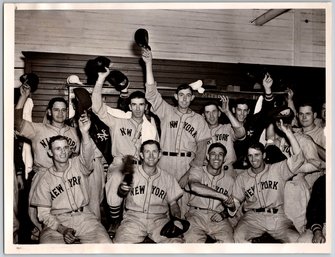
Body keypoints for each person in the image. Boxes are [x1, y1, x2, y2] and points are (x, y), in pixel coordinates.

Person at [141, 48, 211, 217]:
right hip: (165, 162)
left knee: (184, 207)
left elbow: (201, 151)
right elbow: (151, 94)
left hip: (187, 164)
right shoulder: (167, 111)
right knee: (162, 202)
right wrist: (149, 63)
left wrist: (190, 173)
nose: (185, 98)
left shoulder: (199, 120)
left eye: (188, 95)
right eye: (181, 95)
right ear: (175, 97)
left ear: (192, 98)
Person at [92, 68, 158, 236]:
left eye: (141, 104)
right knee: (115, 179)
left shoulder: (150, 127)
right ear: (129, 105)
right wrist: (101, 79)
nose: (137, 108)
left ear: (146, 106)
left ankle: (137, 223)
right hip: (121, 163)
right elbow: (97, 107)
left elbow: (154, 151)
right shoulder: (118, 119)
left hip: (141, 165)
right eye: (134, 104)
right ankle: (114, 221)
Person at [30, 114, 111, 243]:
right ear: (50, 153)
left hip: (85, 218)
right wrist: (62, 229)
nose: (62, 152)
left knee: (106, 245)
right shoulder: (44, 179)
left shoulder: (78, 164)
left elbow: (87, 157)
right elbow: (43, 214)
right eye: (58, 148)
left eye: (65, 148)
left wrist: (84, 133)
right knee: (47, 249)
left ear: (69, 150)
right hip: (57, 223)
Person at [14, 85, 80, 239]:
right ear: (49, 112)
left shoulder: (74, 132)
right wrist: (23, 98)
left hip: (67, 178)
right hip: (43, 176)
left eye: (64, 110)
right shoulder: (37, 129)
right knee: (40, 220)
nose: (60, 113)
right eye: (56, 110)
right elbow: (16, 123)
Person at [229, 119, 306, 243]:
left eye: (257, 155)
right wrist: (231, 204)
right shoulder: (242, 177)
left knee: (295, 239)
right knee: (238, 237)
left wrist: (288, 133)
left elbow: (299, 158)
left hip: (277, 217)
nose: (253, 159)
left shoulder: (277, 169)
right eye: (250, 156)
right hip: (252, 217)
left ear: (264, 155)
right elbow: (235, 203)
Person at [112, 140, 184, 243]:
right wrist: (123, 189)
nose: (151, 156)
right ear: (141, 154)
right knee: (120, 245)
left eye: (154, 152)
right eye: (147, 152)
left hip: (159, 221)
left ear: (159, 154)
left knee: (177, 243)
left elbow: (173, 205)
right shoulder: (131, 174)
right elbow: (121, 192)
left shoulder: (168, 178)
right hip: (134, 219)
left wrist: (177, 219)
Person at [183, 143, 235, 243]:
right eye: (213, 154)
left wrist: (224, 214)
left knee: (229, 244)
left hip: (218, 218)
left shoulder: (230, 180)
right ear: (207, 156)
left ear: (224, 159)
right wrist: (222, 196)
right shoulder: (197, 171)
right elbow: (194, 186)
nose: (217, 157)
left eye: (220, 154)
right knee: (191, 244)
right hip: (196, 215)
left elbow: (233, 207)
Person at [232, 73, 277, 169]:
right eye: (239, 110)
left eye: (245, 110)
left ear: (248, 112)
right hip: (233, 167)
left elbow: (267, 111)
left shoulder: (253, 123)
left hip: (251, 166)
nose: (242, 114)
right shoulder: (227, 126)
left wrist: (267, 89)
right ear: (233, 110)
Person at [202, 97, 245, 177]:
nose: (211, 116)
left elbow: (241, 133)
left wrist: (227, 112)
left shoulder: (227, 128)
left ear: (219, 113)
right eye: (208, 112)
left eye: (214, 111)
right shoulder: (200, 132)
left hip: (227, 171)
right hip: (207, 172)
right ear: (204, 115)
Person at [298, 174, 326, 243]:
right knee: (303, 241)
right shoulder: (323, 181)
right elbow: (313, 210)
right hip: (324, 226)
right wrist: (317, 231)